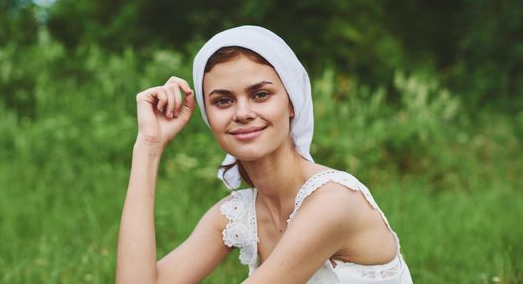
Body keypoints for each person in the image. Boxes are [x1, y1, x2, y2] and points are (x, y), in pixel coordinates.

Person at [116, 25, 413, 283]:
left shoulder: (333, 202)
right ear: (208, 116)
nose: (243, 113)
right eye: (223, 101)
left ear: (292, 103)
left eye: (261, 94)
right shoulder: (238, 214)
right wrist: (149, 147)